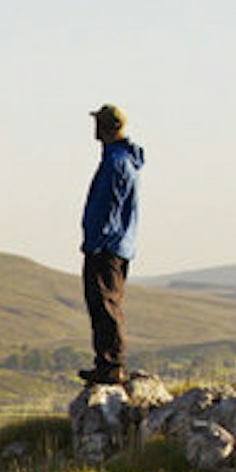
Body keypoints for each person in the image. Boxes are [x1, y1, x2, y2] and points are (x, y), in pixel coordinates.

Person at [79, 101, 143, 387]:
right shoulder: (122, 159)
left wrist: (96, 241)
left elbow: (109, 207)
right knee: (106, 304)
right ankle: (106, 363)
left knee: (104, 304)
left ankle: (111, 366)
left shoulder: (115, 162)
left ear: (104, 126)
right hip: (114, 244)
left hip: (106, 247)